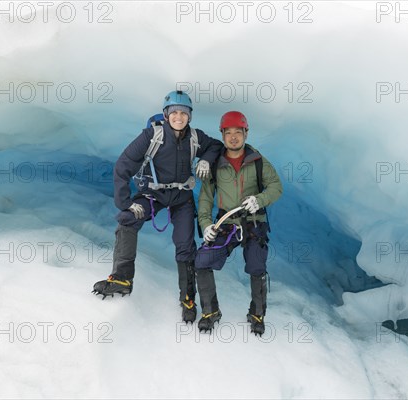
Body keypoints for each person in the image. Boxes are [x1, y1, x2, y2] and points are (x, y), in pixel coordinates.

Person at [92, 90, 223, 325]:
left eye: (184, 113)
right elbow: (123, 166)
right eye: (174, 113)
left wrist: (205, 159)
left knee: (185, 245)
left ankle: (188, 299)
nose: (179, 117)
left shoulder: (196, 137)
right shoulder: (152, 135)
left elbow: (215, 146)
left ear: (190, 116)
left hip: (182, 197)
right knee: (127, 218)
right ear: (166, 114)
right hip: (154, 194)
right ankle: (122, 279)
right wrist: (127, 202)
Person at [194, 111, 283, 336]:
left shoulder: (258, 161)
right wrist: (205, 224)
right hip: (226, 222)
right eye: (228, 133)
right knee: (202, 260)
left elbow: (275, 187)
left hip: (254, 222)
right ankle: (210, 311)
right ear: (222, 135)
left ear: (246, 133)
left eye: (238, 132)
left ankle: (257, 313)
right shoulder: (216, 164)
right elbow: (205, 198)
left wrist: (259, 200)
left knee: (256, 265)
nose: (233, 137)